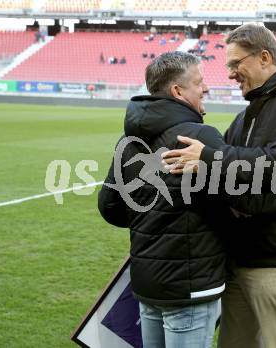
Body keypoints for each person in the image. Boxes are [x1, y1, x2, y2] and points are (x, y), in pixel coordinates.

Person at [162, 23, 276, 348]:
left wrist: (209, 156)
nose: (232, 74)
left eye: (237, 65)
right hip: (238, 261)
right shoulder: (246, 115)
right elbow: (234, 186)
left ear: (264, 57)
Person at [97, 52, 225, 348]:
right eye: (199, 81)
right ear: (178, 91)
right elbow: (235, 204)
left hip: (147, 282)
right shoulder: (200, 137)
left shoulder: (128, 140)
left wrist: (152, 219)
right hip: (189, 286)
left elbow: (109, 206)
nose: (205, 87)